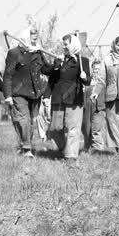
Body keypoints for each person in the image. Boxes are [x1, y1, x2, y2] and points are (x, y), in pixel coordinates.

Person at [2, 26, 49, 157]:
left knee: (31, 122)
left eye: (36, 36)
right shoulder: (14, 53)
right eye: (32, 36)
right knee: (23, 119)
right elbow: (8, 75)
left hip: (35, 94)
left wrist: (58, 64)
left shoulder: (38, 52)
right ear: (25, 37)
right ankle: (27, 149)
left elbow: (46, 70)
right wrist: (8, 95)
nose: (35, 38)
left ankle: (24, 146)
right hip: (18, 93)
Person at [44, 33, 91, 165]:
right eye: (63, 44)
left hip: (74, 99)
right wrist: (46, 96)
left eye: (66, 44)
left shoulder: (83, 61)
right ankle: (64, 148)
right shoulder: (59, 60)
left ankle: (71, 156)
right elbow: (51, 79)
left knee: (73, 129)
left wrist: (84, 77)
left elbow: (88, 81)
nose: (64, 46)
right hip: (58, 99)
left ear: (74, 44)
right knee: (54, 129)